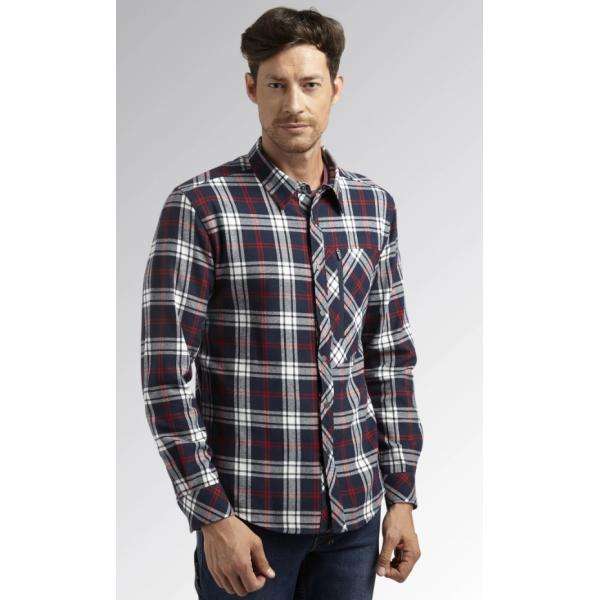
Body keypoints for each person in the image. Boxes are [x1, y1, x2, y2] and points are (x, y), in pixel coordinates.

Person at [140, 6, 423, 599]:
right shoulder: (202, 206)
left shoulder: (374, 207)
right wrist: (211, 516)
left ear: (335, 89)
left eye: (310, 84)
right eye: (276, 85)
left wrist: (401, 497)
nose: (294, 103)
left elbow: (390, 360)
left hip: (354, 522)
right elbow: (164, 374)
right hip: (249, 523)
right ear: (252, 89)